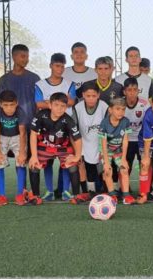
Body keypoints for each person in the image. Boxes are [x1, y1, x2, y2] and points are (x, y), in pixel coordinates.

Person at [27, 93, 83, 205]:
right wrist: (33, 156)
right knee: (34, 164)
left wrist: (77, 156)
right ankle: (36, 196)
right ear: (50, 105)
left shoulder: (68, 120)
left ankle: (76, 196)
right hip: (45, 146)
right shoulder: (41, 115)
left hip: (63, 147)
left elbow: (77, 139)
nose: (59, 108)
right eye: (56, 105)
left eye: (63, 106)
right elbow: (33, 134)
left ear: (66, 107)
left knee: (73, 165)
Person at [35, 53, 77, 201]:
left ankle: (66, 190)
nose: (60, 69)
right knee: (47, 161)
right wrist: (58, 101)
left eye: (62, 66)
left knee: (67, 160)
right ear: (51, 65)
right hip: (46, 126)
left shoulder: (69, 84)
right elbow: (38, 103)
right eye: (57, 65)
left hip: (65, 127)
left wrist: (52, 102)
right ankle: (49, 191)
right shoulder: (40, 84)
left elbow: (71, 101)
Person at [0, 90, 28, 206]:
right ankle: (2, 196)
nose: (9, 108)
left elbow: (22, 133)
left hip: (17, 136)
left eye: (12, 105)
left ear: (16, 103)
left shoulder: (20, 111)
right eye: (6, 105)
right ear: (0, 104)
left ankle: (20, 194)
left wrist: (22, 153)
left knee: (21, 162)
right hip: (2, 136)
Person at [73, 82, 108, 196]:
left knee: (103, 168)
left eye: (93, 96)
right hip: (83, 143)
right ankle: (87, 192)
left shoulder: (104, 106)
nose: (91, 99)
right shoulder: (77, 108)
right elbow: (74, 131)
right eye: (88, 96)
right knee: (85, 168)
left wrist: (104, 149)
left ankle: (106, 190)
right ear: (83, 95)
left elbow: (108, 129)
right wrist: (77, 151)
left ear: (98, 95)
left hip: (100, 143)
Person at [99, 97, 132, 203]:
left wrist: (124, 158)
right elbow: (103, 143)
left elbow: (126, 140)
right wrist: (106, 162)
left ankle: (126, 196)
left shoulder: (126, 121)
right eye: (118, 109)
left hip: (119, 150)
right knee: (107, 171)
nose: (121, 112)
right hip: (107, 150)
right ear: (110, 110)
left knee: (124, 169)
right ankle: (112, 194)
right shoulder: (104, 123)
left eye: (123, 109)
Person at [123, 77, 150, 181]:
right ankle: (124, 189)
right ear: (124, 92)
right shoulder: (120, 104)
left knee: (144, 164)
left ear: (138, 90)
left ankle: (146, 190)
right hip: (126, 140)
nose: (132, 93)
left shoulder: (144, 103)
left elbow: (148, 122)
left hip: (141, 140)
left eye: (135, 89)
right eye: (129, 90)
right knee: (125, 165)